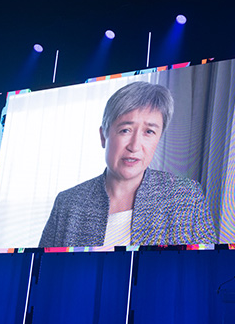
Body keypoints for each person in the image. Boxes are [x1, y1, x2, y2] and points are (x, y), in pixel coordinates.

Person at [39, 81, 216, 247]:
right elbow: (40, 273)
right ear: (103, 136)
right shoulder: (67, 203)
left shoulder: (186, 195)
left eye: (149, 132)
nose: (134, 146)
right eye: (125, 130)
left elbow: (208, 271)